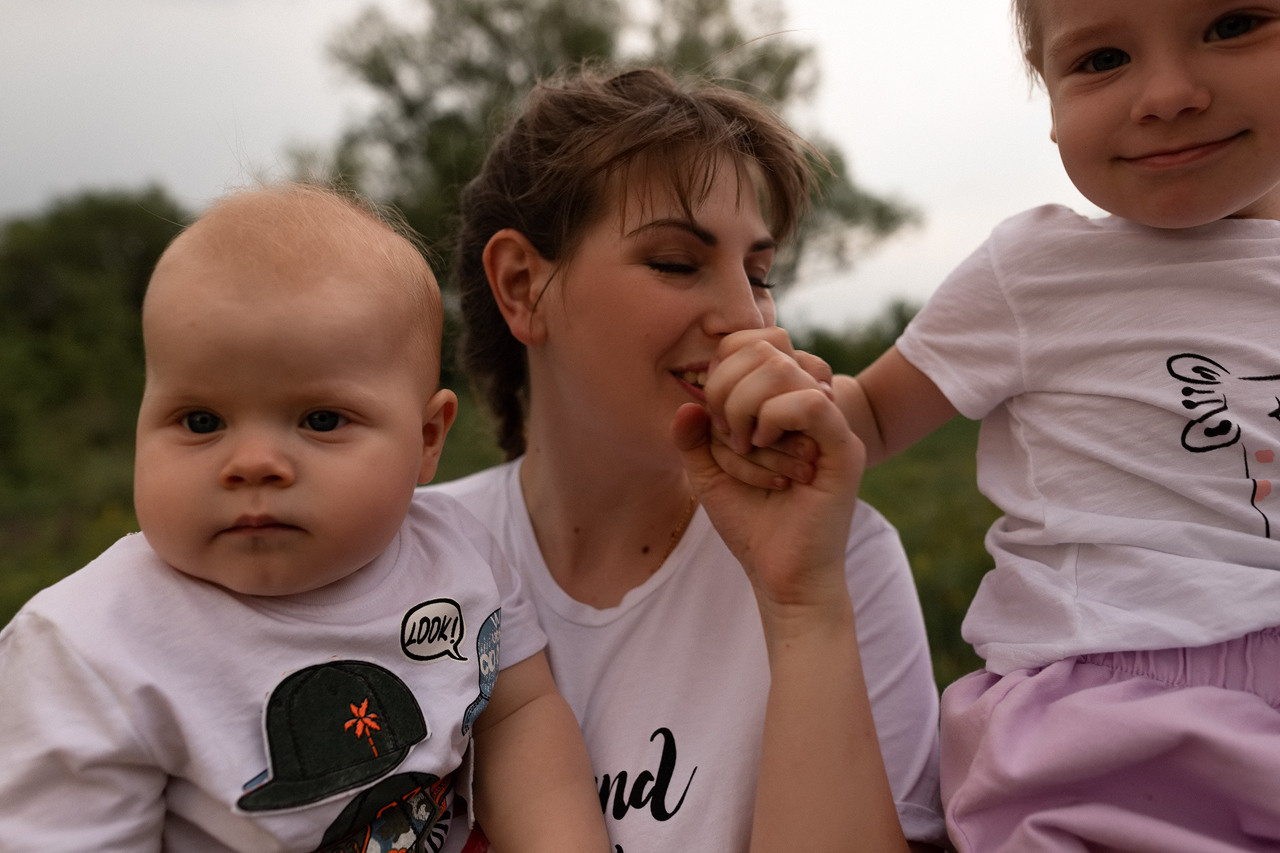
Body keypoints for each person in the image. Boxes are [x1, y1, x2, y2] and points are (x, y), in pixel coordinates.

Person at [0, 183, 610, 852]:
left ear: (427, 437)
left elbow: (518, 715)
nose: (254, 462)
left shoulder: (460, 555)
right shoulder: (93, 644)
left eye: (321, 419)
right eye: (201, 421)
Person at [428, 66, 947, 851]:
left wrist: (803, 609)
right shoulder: (416, 556)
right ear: (522, 286)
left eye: (761, 275)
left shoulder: (844, 561)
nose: (746, 317)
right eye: (676, 262)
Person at [832, 0, 1280, 848]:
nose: (1169, 94)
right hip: (1097, 722)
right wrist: (777, 399)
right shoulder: (1036, 271)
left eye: (1232, 25)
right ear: (1047, 94)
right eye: (1103, 58)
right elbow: (868, 417)